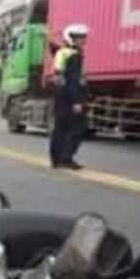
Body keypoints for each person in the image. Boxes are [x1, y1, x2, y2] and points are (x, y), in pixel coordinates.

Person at [50, 24, 90, 170]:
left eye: (83, 38)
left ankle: (56, 160)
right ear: (71, 38)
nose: (83, 41)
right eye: (79, 38)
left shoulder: (62, 52)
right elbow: (73, 80)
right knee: (78, 127)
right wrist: (77, 101)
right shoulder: (73, 55)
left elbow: (60, 76)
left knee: (60, 128)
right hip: (69, 97)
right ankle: (66, 159)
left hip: (60, 95)